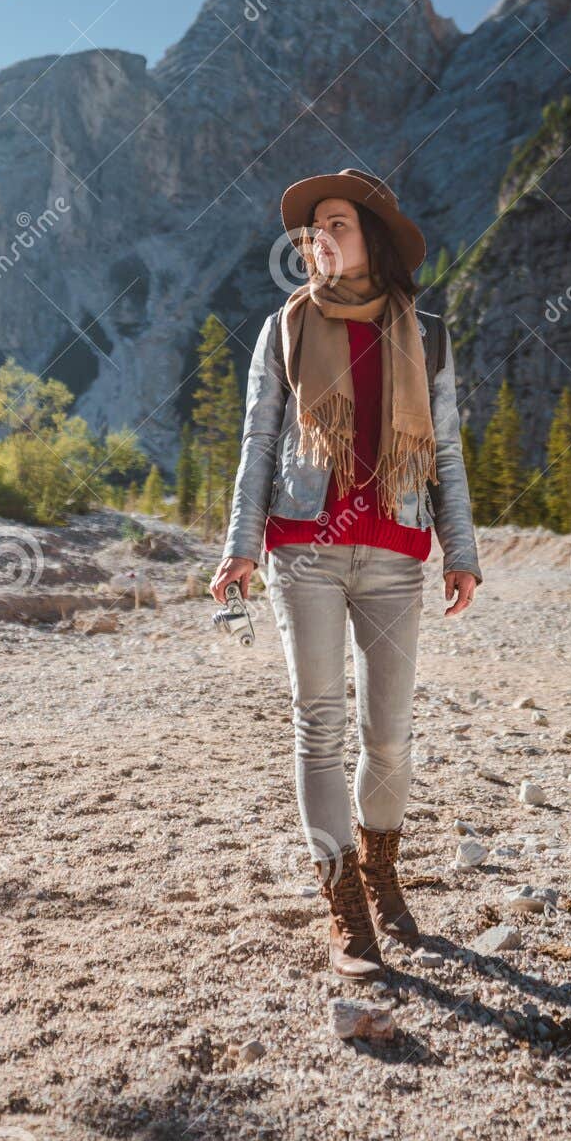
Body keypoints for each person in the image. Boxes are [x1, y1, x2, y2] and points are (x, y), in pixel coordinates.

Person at [210, 169, 481, 982]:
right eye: (308, 230)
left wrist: (460, 549)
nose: (315, 238)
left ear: (372, 238)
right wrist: (240, 544)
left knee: (389, 737)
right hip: (305, 551)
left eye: (333, 223)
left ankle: (381, 868)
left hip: (397, 552)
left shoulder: (426, 333)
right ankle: (345, 905)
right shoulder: (284, 327)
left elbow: (444, 452)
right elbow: (259, 441)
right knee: (318, 725)